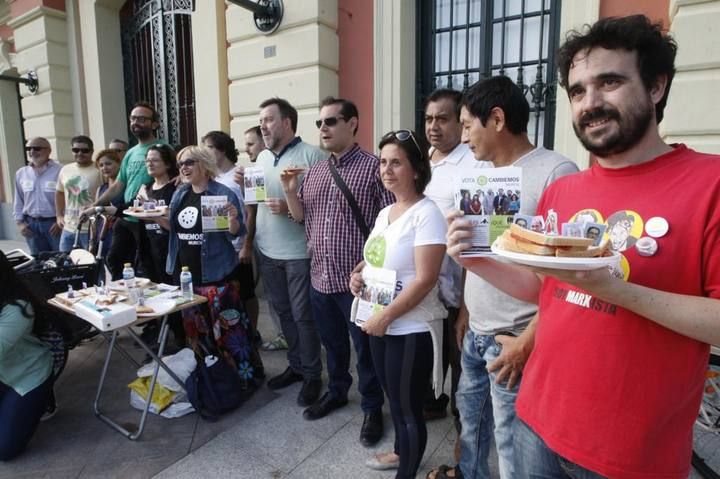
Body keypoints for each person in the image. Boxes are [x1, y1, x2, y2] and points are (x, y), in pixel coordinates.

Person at [446, 15, 720, 479]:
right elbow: (545, 290)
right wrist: (475, 258)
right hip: (536, 420)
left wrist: (615, 290)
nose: (589, 103)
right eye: (577, 91)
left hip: (630, 455)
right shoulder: (566, 192)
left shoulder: (709, 182)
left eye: (609, 82)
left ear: (656, 86)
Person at [428, 75, 579, 479]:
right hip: (477, 330)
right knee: (471, 426)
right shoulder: (481, 177)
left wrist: (527, 341)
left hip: (515, 337)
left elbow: (564, 277)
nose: (462, 137)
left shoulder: (556, 172)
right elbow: (481, 257)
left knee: (514, 444)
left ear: (495, 119)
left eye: (465, 125)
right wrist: (463, 312)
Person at [280, 97, 392, 443]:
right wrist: (289, 191)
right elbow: (301, 219)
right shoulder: (314, 172)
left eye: (330, 121)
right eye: (319, 123)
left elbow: (391, 224)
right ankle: (339, 390)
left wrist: (373, 266)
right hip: (320, 277)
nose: (323, 129)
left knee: (366, 351)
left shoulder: (375, 168)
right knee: (333, 344)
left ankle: (372, 406)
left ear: (353, 123)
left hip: (359, 282)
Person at [349, 129, 446, 478]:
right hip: (379, 322)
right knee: (396, 402)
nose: (386, 170)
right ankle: (403, 454)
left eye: (396, 163)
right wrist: (357, 275)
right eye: (383, 162)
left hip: (409, 327)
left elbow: (425, 278)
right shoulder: (385, 212)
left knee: (408, 411)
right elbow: (375, 260)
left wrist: (386, 317)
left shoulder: (427, 214)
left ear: (417, 169)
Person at [236, 98, 325, 403]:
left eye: (269, 119)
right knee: (284, 313)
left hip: (299, 253)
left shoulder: (312, 156)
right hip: (268, 250)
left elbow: (325, 210)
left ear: (286, 122)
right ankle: (297, 366)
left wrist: (288, 208)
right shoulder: (260, 160)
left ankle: (313, 375)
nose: (263, 125)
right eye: (261, 120)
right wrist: (243, 185)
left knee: (303, 316)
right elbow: (255, 201)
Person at [166, 146, 262, 386]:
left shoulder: (222, 193)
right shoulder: (180, 194)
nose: (183, 168)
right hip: (189, 279)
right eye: (180, 164)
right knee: (198, 334)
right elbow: (175, 231)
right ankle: (212, 379)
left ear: (204, 164)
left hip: (218, 276)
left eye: (189, 162)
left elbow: (237, 237)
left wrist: (232, 223)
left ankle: (244, 379)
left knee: (231, 333)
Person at [422, 88, 485, 449]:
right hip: (426, 287)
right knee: (430, 360)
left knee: (461, 364)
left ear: (460, 123)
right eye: (429, 118)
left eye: (443, 119)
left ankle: (465, 437)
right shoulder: (424, 160)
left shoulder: (474, 166)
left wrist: (466, 306)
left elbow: (478, 242)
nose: (434, 126)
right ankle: (432, 405)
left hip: (458, 290)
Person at [94, 102, 168, 279]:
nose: (136, 122)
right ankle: (127, 295)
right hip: (127, 216)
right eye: (133, 118)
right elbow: (119, 185)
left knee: (148, 266)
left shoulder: (163, 148)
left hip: (147, 218)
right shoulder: (130, 153)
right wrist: (95, 205)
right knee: (113, 260)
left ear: (154, 124)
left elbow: (173, 176)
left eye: (142, 119)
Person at [202, 131, 261, 348]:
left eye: (208, 148)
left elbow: (251, 211)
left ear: (222, 149)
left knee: (247, 293)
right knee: (230, 295)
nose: (204, 153)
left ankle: (253, 333)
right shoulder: (211, 179)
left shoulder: (239, 175)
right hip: (221, 249)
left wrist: (246, 245)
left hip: (240, 246)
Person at [0, 250, 54, 460]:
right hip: (4, 372)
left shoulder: (18, 308)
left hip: (27, 376)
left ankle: (41, 400)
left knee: (5, 450)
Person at [13, 137, 62, 255]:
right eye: (28, 148)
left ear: (49, 151)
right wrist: (20, 223)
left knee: (60, 260)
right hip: (31, 225)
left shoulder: (60, 170)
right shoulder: (21, 173)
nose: (32, 151)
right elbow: (18, 200)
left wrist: (61, 221)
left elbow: (66, 198)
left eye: (37, 148)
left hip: (54, 225)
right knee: (38, 263)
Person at [55, 135, 102, 252]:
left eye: (84, 150)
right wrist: (59, 215)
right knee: (65, 264)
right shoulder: (65, 169)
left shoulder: (99, 169)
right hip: (68, 228)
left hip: (90, 229)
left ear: (91, 151)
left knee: (92, 266)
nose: (80, 153)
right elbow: (59, 192)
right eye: (76, 150)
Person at [90, 149, 123, 257]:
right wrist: (92, 240)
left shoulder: (125, 187)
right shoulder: (101, 189)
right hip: (103, 234)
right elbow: (95, 218)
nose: (104, 168)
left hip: (120, 233)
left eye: (108, 163)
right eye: (101, 165)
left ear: (119, 163)